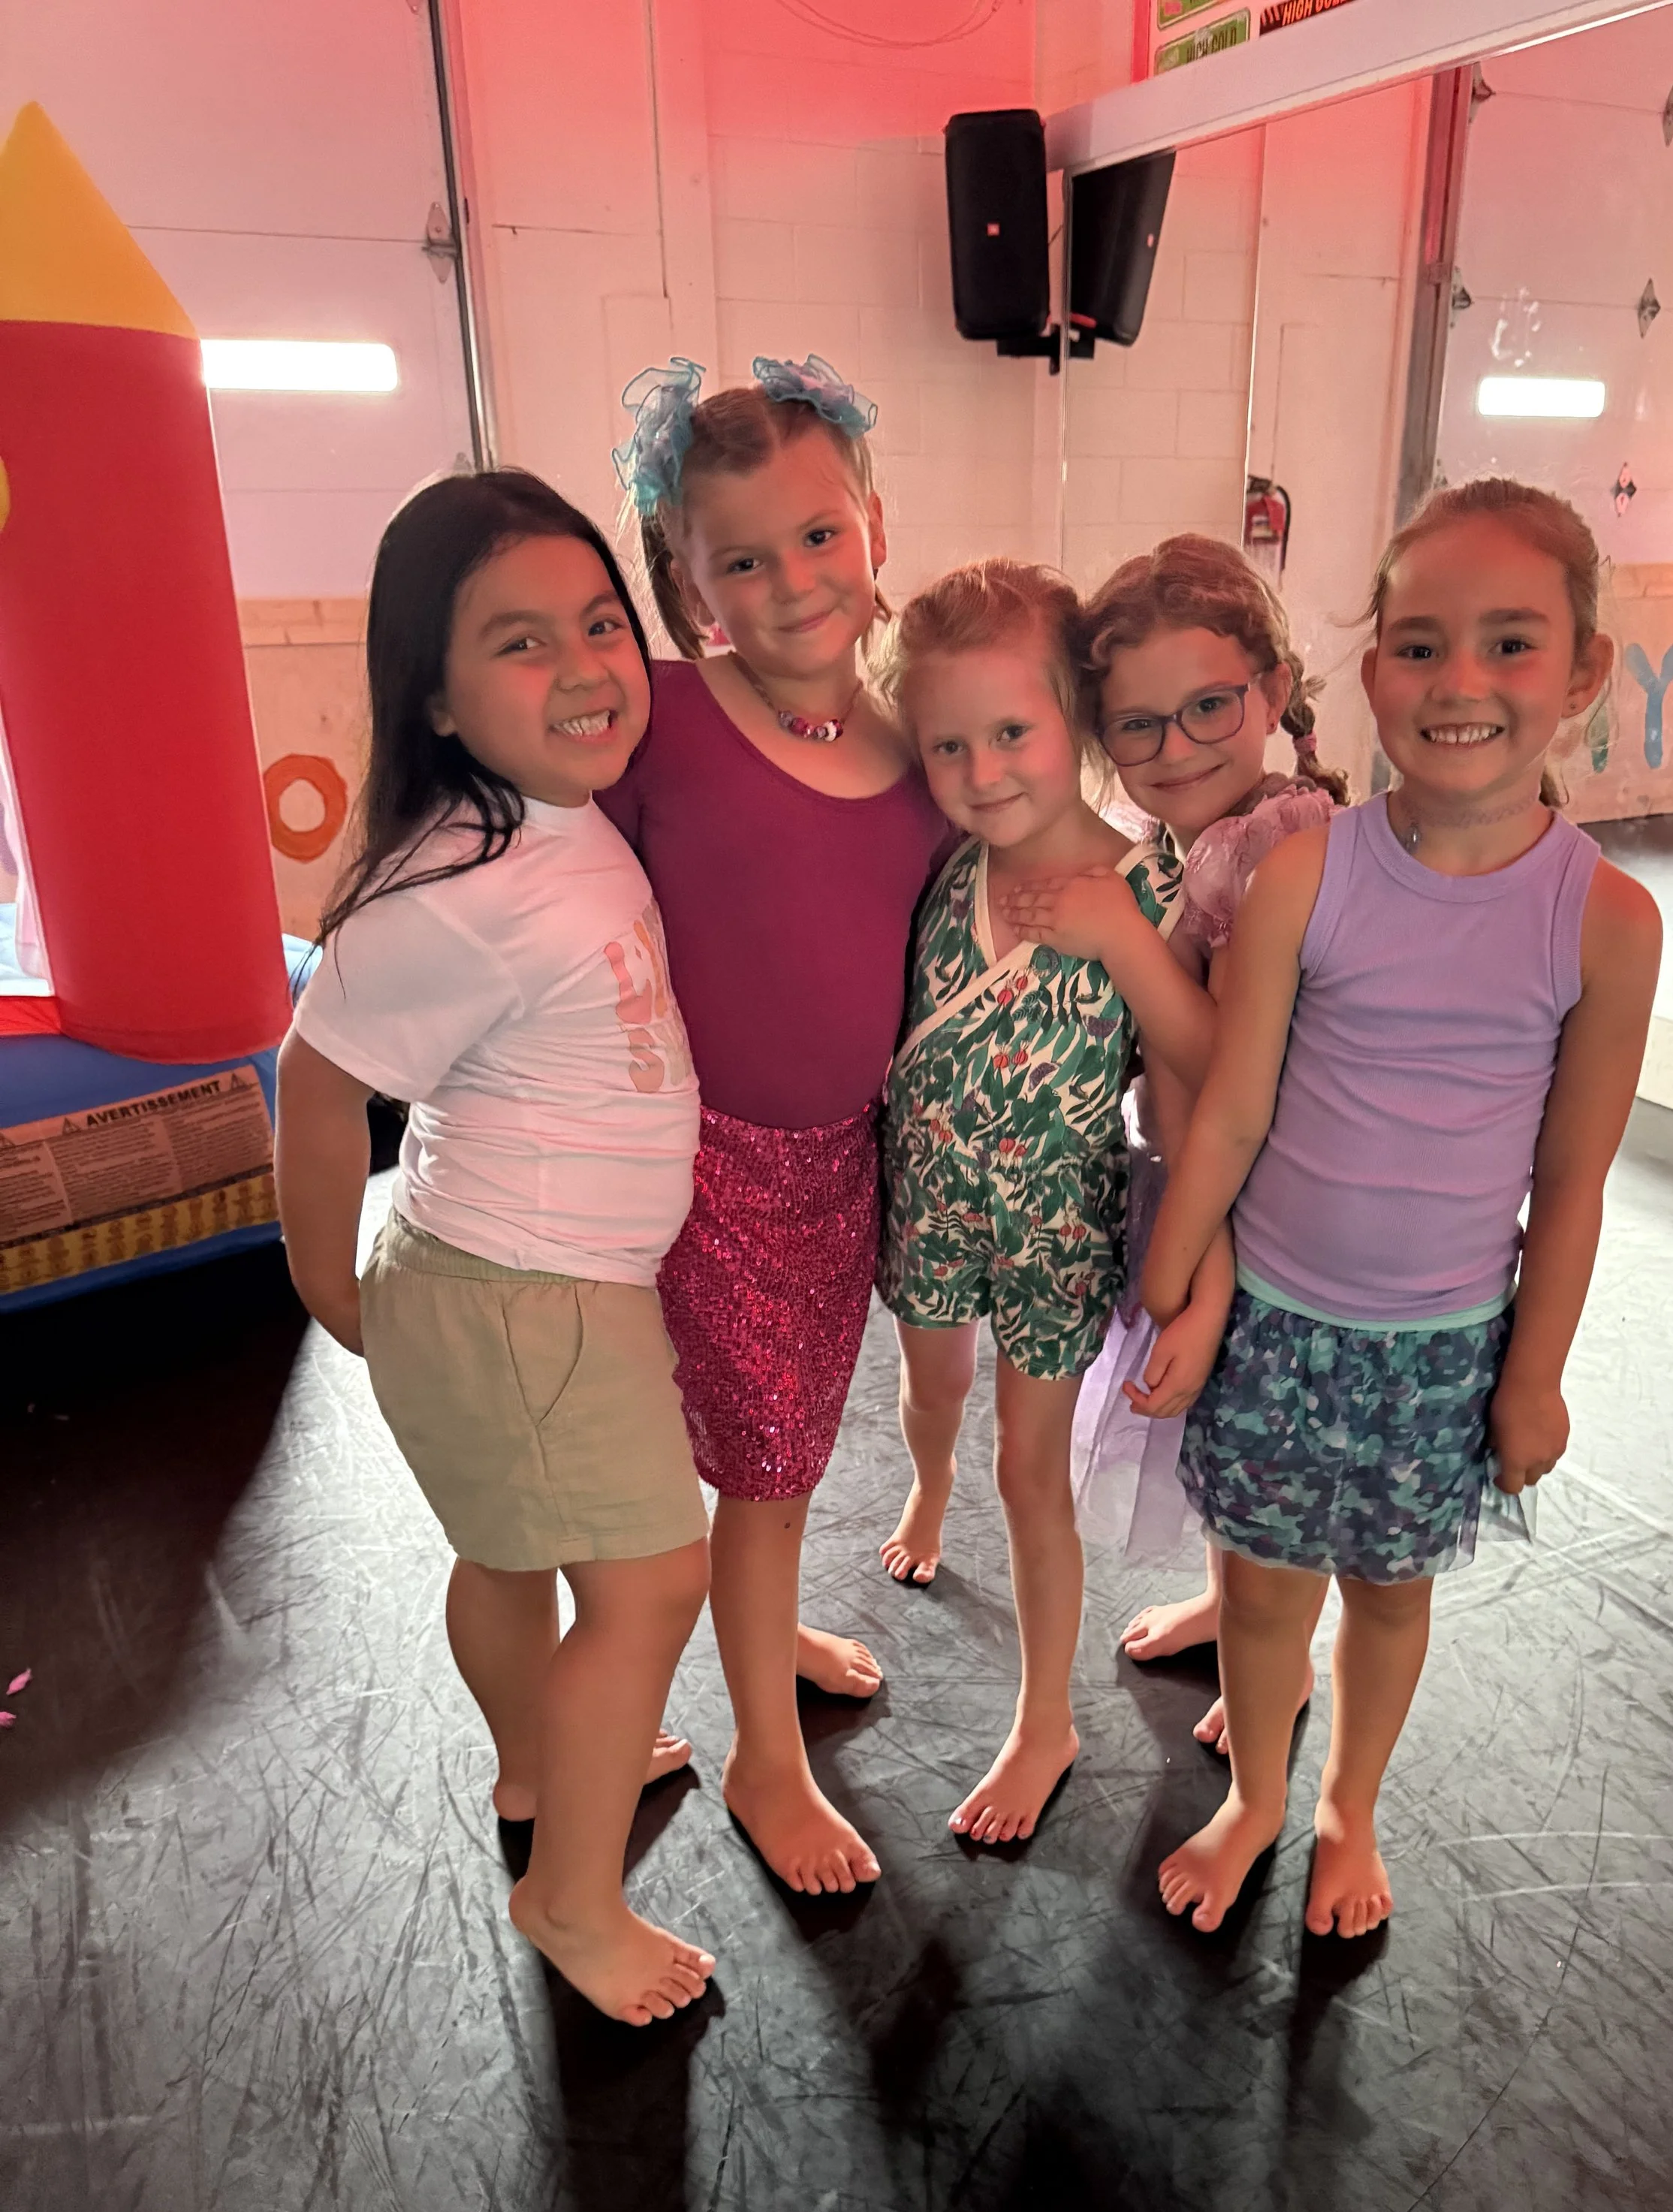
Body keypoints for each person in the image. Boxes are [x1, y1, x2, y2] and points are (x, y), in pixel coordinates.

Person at [1141, 478, 1662, 1939]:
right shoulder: (1306, 877)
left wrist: (1535, 1374)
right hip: (1279, 1325)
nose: (1459, 684)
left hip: (1440, 1348)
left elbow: (1569, 1178)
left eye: (1508, 644)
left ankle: (1344, 1804)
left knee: (1383, 1594)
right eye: (1419, 645)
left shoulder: (1603, 922)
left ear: (1579, 672)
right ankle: (1252, 1789)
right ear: (1370, 672)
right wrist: (1181, 1293)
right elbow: (1231, 1109)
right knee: (1257, 1595)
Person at [275, 472, 715, 2024]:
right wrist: (327, 1281)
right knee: (657, 1584)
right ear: (438, 700)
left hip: (525, 1287)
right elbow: (317, 1072)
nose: (586, 665)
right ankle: (570, 1899)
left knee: (508, 1553)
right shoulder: (457, 887)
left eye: (600, 622)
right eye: (521, 643)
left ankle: (539, 1759)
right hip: (526, 1298)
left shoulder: (541, 820)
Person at [602, 356, 954, 1896]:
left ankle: (772, 1629)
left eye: (817, 537)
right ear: (688, 592)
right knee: (753, 1466)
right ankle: (761, 1753)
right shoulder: (662, 725)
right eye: (739, 559)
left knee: (789, 1451)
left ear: (874, 531)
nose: (790, 580)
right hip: (699, 1166)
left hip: (841, 1167)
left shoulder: (924, 760)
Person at [875, 560, 1215, 1844]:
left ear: (1073, 716)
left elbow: (1204, 1057)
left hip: (1059, 1228)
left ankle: (1045, 1720)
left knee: (1031, 1472)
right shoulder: (937, 873)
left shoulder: (1157, 886)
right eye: (947, 743)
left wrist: (1122, 937)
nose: (983, 769)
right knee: (930, 1392)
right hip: (928, 1202)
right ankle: (921, 1482)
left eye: (1012, 731)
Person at [1062, 537, 1348, 1755]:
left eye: (1210, 708)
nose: (1176, 748)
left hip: (1278, 1195)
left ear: (1275, 694)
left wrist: (1125, 946)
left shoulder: (1271, 845)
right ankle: (1238, 1613)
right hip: (1222, 1177)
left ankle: (1275, 1662)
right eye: (1139, 726)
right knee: (1233, 1433)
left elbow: (1227, 1063)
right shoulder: (1206, 840)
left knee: (1278, 1453)